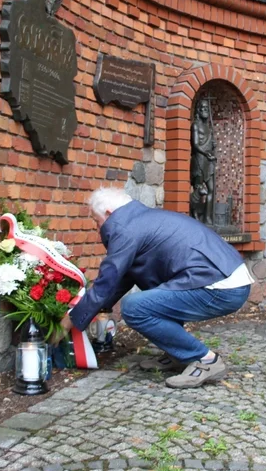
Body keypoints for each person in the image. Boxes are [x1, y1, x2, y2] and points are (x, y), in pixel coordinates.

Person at [58, 188, 254, 389]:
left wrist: (71, 320)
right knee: (154, 299)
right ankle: (177, 354)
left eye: (95, 220)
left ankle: (207, 361)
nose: (96, 226)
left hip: (221, 286)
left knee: (135, 307)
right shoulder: (139, 220)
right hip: (224, 278)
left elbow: (107, 281)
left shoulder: (124, 228)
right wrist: (102, 307)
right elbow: (124, 277)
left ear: (108, 213)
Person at [190, 98, 216, 224]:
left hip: (208, 161)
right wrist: (206, 152)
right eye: (203, 108)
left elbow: (210, 144)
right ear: (198, 111)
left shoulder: (208, 127)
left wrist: (213, 145)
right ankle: (194, 215)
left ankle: (208, 217)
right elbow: (195, 144)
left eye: (207, 109)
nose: (205, 111)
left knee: (211, 189)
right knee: (198, 190)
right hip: (199, 160)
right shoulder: (195, 125)